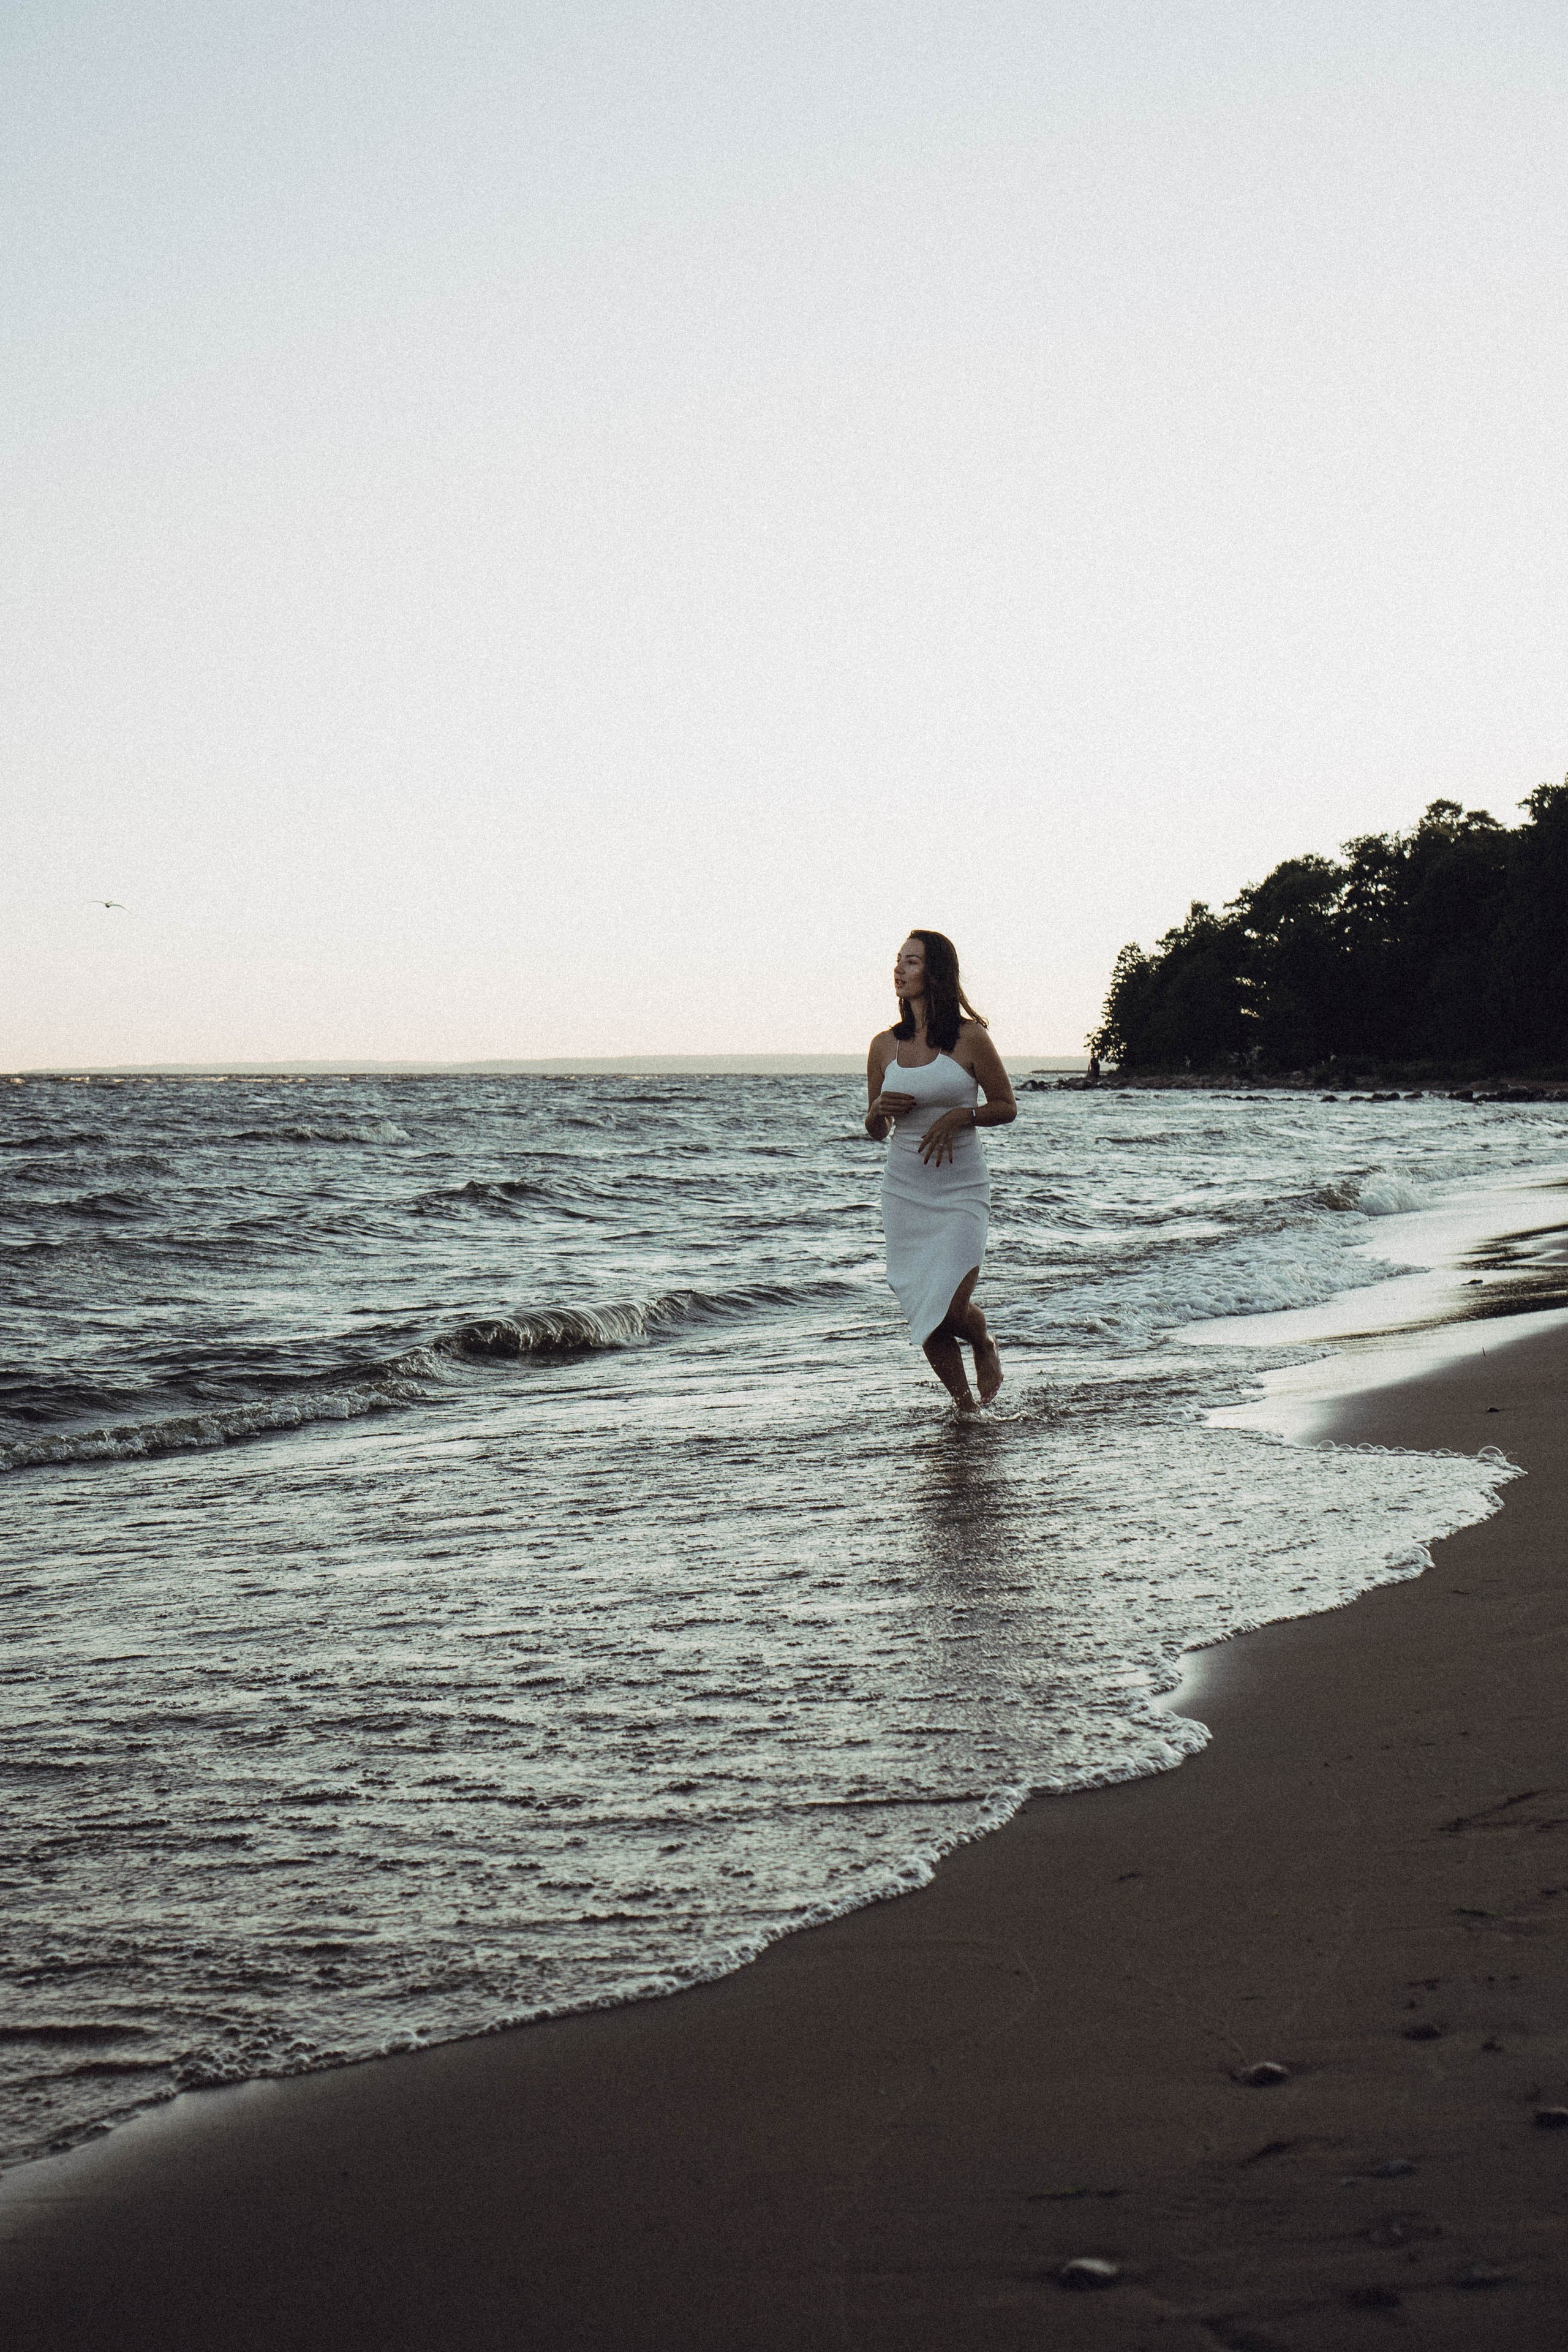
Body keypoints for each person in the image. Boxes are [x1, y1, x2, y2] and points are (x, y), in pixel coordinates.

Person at [865, 930, 1017, 1409]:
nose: (900, 970)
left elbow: (1006, 1106)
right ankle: (967, 1413)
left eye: (911, 962)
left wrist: (960, 1115)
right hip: (905, 1193)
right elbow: (874, 1126)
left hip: (960, 1190)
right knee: (924, 1311)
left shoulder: (971, 1038)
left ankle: (983, 1340)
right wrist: (877, 1113)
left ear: (936, 972)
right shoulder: (883, 1045)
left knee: (951, 1307)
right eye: (898, 961)